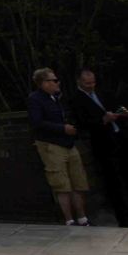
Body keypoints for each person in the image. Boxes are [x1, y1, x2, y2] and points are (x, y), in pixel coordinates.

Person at [70, 69, 128, 227]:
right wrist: (103, 120)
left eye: (93, 82)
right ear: (79, 82)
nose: (91, 85)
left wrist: (125, 113)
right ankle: (125, 220)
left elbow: (118, 106)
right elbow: (82, 123)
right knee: (115, 185)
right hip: (105, 146)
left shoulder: (104, 93)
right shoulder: (76, 100)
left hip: (122, 140)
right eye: (87, 83)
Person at [27, 67, 91, 227]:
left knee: (78, 181)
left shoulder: (57, 98)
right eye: (54, 80)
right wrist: (62, 128)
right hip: (52, 145)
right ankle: (69, 220)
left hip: (68, 143)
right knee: (61, 184)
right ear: (43, 83)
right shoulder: (35, 99)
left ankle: (83, 218)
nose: (57, 83)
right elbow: (37, 122)